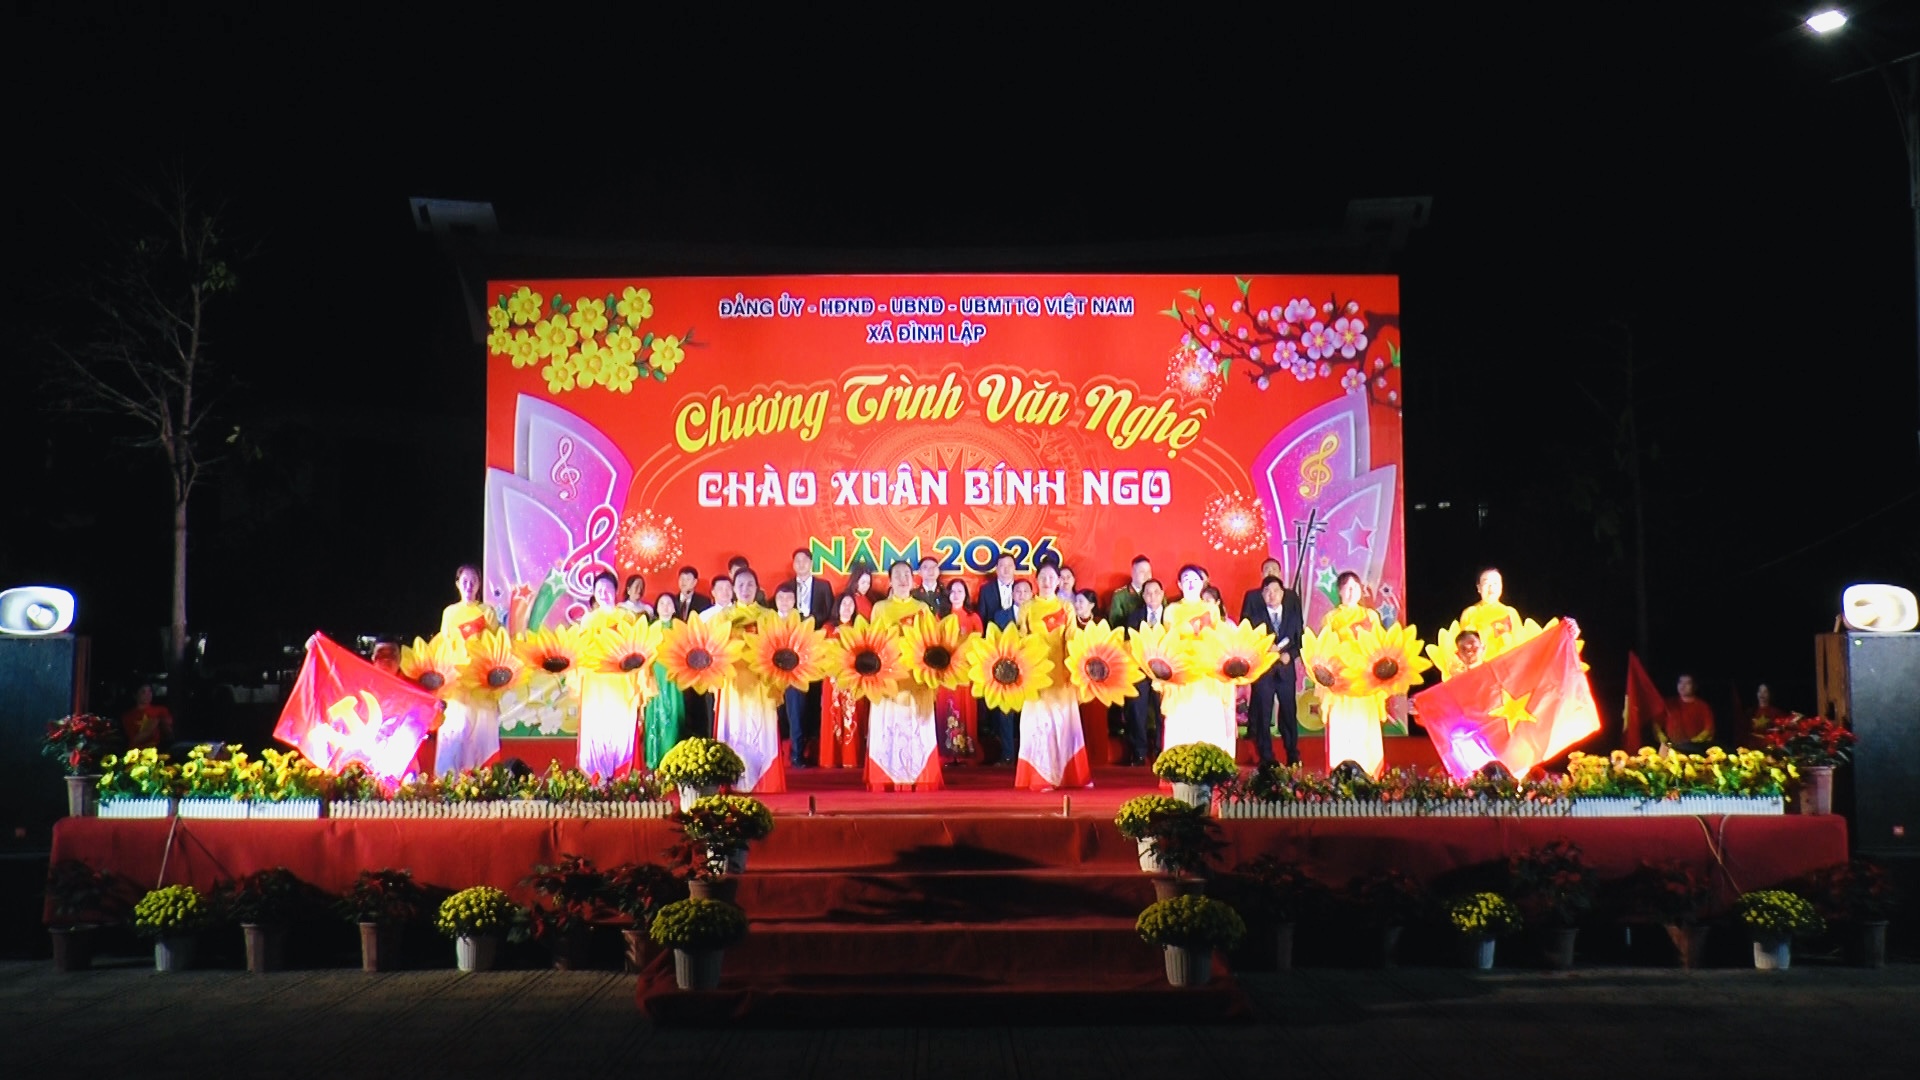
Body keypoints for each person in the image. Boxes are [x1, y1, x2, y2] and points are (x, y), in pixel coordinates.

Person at [866, 561, 943, 790]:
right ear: (889, 580)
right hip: (888, 678)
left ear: (913, 579)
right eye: (897, 575)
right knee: (889, 726)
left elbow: (932, 642)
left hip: (916, 678)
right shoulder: (880, 608)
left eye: (907, 574)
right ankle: (886, 778)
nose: (902, 579)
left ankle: (920, 777)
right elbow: (872, 642)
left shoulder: (922, 608)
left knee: (916, 727)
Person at [1014, 564, 1092, 791]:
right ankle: (1041, 777)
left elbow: (1072, 639)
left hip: (1061, 675)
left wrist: (1075, 671)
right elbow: (1020, 638)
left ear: (1058, 581)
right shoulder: (1027, 607)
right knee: (1039, 726)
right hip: (1035, 677)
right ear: (1036, 580)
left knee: (1064, 725)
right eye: (1043, 577)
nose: (1047, 581)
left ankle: (1072, 776)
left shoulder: (1066, 607)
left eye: (1051, 577)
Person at [711, 566, 784, 792]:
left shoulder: (768, 616)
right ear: (734, 589)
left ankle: (764, 780)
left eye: (750, 584)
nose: (745, 589)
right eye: (740, 585)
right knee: (735, 727)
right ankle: (733, 779)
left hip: (761, 682)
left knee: (759, 726)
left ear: (757, 588)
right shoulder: (723, 617)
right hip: (732, 684)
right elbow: (713, 648)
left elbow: (779, 647)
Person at [1159, 565, 1236, 762]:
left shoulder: (1211, 609)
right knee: (1181, 719)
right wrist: (1188, 630)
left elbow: (1218, 637)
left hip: (1206, 673)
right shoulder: (1172, 610)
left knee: (1207, 718)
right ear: (1179, 584)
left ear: (1203, 583)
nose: (1191, 583)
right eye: (1186, 580)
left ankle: (1211, 764)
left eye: (1195, 580)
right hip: (1182, 672)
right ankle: (1178, 764)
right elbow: (1169, 637)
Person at [438, 564, 503, 775]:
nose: (469, 585)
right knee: (457, 733)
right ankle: (450, 781)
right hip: (457, 686)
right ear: (457, 584)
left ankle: (482, 783)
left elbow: (498, 646)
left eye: (473, 581)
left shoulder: (487, 612)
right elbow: (444, 647)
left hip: (481, 686)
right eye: (465, 581)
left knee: (481, 737)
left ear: (479, 585)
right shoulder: (449, 613)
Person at [1320, 570, 1387, 775]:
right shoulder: (1331, 618)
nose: (1351, 592)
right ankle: (1341, 774)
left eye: (1355, 587)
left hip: (1365, 682)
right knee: (1342, 728)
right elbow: (1324, 648)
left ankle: (1370, 774)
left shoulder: (1370, 616)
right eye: (1347, 588)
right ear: (1339, 591)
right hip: (1341, 683)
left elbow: (1380, 645)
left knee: (1365, 728)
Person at [577, 571, 641, 778]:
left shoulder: (627, 617)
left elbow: (637, 648)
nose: (604, 593)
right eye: (599, 590)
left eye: (608, 588)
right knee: (597, 727)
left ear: (616, 590)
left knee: (620, 726)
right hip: (595, 684)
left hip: (620, 683)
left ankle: (621, 774)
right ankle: (597, 775)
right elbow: (581, 651)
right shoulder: (588, 620)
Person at [1241, 574, 1304, 766]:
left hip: (1285, 671)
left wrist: (1290, 655)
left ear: (1283, 593)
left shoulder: (1292, 615)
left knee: (1288, 712)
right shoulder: (1255, 617)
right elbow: (1248, 642)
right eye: (1267, 591)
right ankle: (1266, 757)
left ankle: (1292, 754)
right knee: (1263, 714)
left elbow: (1299, 640)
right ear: (1262, 595)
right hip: (1264, 672)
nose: (1272, 595)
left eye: (1276, 591)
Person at [977, 553, 1021, 765]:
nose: (1005, 569)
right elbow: (983, 621)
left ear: (1015, 568)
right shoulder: (986, 591)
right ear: (996, 569)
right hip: (996, 655)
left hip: (1025, 659)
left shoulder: (1025, 591)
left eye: (1009, 565)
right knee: (1001, 708)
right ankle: (1006, 751)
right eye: (1001, 566)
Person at [1119, 578, 1168, 765]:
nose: (1152, 596)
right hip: (1139, 669)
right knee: (1136, 710)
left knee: (1163, 711)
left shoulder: (1170, 616)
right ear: (1143, 596)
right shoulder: (1135, 616)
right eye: (1148, 593)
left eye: (1156, 592)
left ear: (1162, 594)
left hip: (1164, 671)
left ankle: (1162, 750)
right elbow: (1128, 643)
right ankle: (1139, 752)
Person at [938, 579, 984, 765]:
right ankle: (947, 753)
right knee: (946, 708)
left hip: (966, 672)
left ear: (966, 595)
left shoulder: (973, 617)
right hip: (945, 672)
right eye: (953, 591)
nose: (956, 595)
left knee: (966, 709)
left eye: (960, 591)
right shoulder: (941, 616)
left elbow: (980, 645)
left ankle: (966, 752)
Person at [820, 592, 868, 769]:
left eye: (850, 604)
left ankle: (851, 758)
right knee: (833, 715)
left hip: (853, 678)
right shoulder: (828, 628)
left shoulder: (859, 628)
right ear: (837, 607)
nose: (847, 608)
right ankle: (831, 759)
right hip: (832, 680)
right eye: (844, 604)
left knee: (851, 716)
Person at [770, 582, 815, 768]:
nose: (784, 601)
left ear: (795, 600)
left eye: (789, 598)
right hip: (772, 675)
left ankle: (797, 755)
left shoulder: (803, 622)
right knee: (772, 717)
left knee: (796, 716)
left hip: (796, 676)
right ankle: (774, 756)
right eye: (780, 598)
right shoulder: (768, 620)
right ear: (775, 600)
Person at [1069, 587, 1114, 765]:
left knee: (1096, 718)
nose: (1077, 605)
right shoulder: (1071, 623)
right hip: (1075, 677)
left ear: (1092, 605)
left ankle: (1098, 759)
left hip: (1097, 679)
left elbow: (1109, 649)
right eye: (1076, 601)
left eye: (1081, 601)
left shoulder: (1100, 623)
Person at [642, 594, 685, 769]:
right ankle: (653, 762)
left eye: (669, 604)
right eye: (662, 603)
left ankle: (672, 763)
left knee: (674, 716)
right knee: (654, 717)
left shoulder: (680, 629)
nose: (666, 607)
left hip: (674, 679)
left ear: (674, 608)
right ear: (657, 608)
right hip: (654, 677)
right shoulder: (649, 629)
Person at [1459, 568, 1522, 655]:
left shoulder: (1510, 612)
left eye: (1495, 583)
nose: (1491, 588)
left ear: (1501, 587)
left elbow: (1520, 643)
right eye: (1486, 583)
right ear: (1479, 588)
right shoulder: (1470, 612)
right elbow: (1464, 645)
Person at [1662, 674, 1715, 751]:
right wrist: (1662, 738)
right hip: (1670, 748)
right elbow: (1657, 725)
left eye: (1687, 683)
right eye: (1680, 682)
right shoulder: (1669, 704)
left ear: (1695, 686)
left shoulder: (1702, 706)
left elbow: (1708, 729)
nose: (1682, 686)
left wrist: (1692, 742)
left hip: (1694, 749)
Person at [120, 683, 173, 750]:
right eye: (143, 692)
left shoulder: (161, 710)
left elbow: (169, 733)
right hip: (136, 752)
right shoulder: (128, 716)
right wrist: (149, 728)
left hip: (157, 750)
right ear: (135, 695)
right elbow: (134, 740)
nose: (148, 695)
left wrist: (164, 724)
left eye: (150, 691)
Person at [1108, 555, 1152, 624]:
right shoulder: (1120, 596)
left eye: (1149, 572)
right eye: (1142, 572)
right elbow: (1115, 623)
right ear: (1133, 573)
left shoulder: (1157, 593)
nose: (1147, 575)